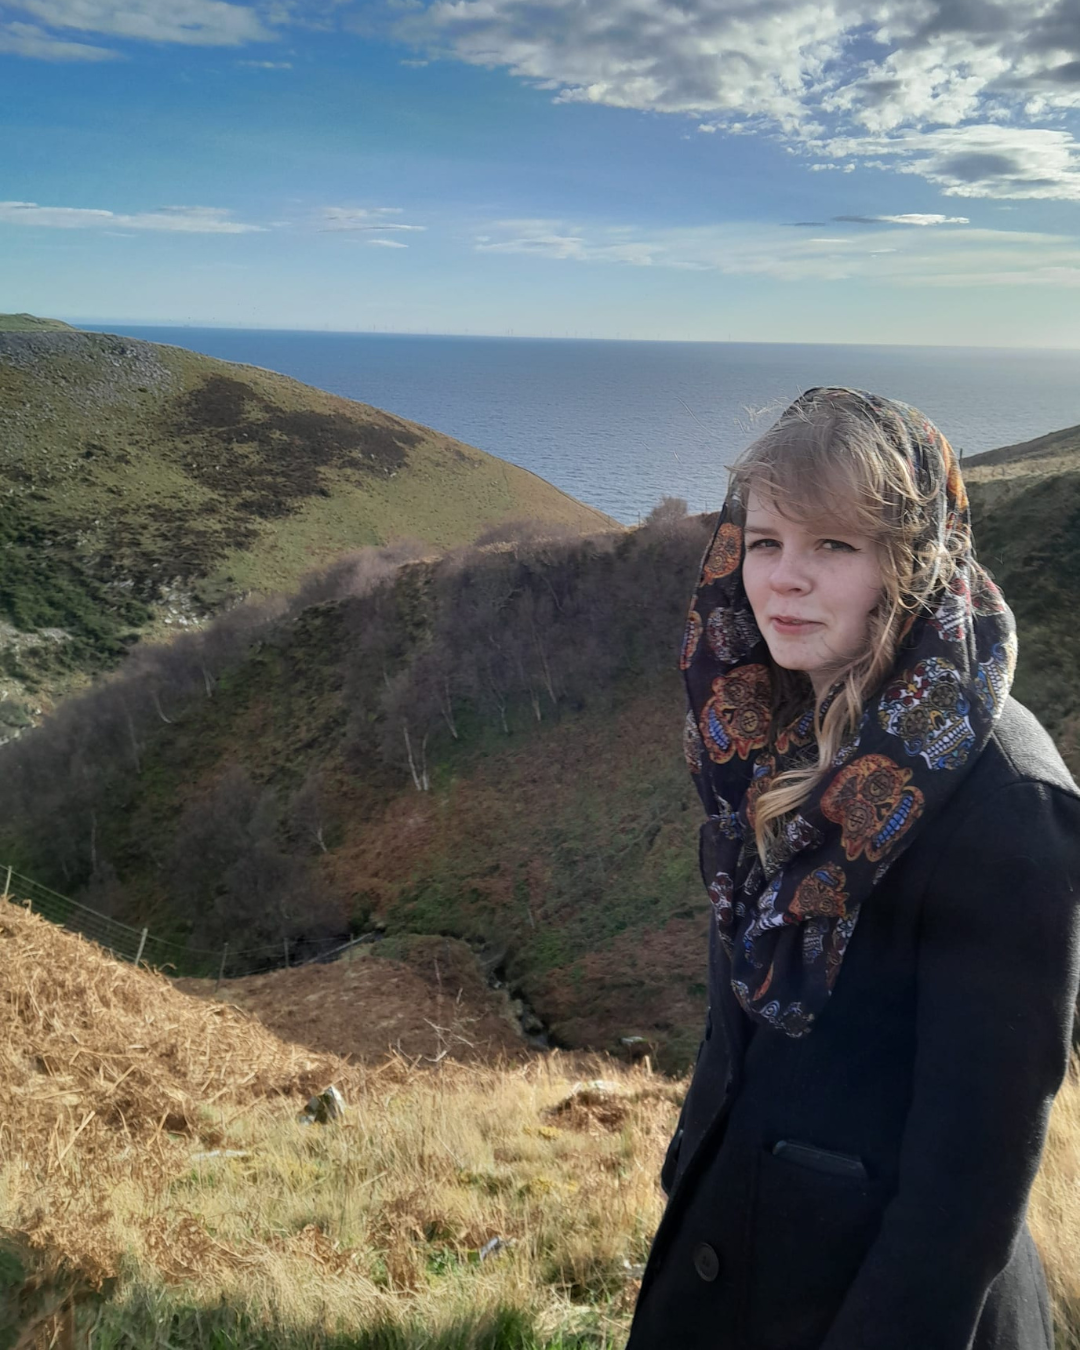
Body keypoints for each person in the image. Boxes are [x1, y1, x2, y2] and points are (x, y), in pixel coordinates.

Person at [624, 387, 1080, 1350]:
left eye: (834, 546)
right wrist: (692, 1174)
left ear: (909, 565)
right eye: (764, 542)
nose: (783, 580)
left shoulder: (1004, 801)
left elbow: (971, 1183)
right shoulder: (762, 731)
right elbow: (737, 1029)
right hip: (731, 1262)